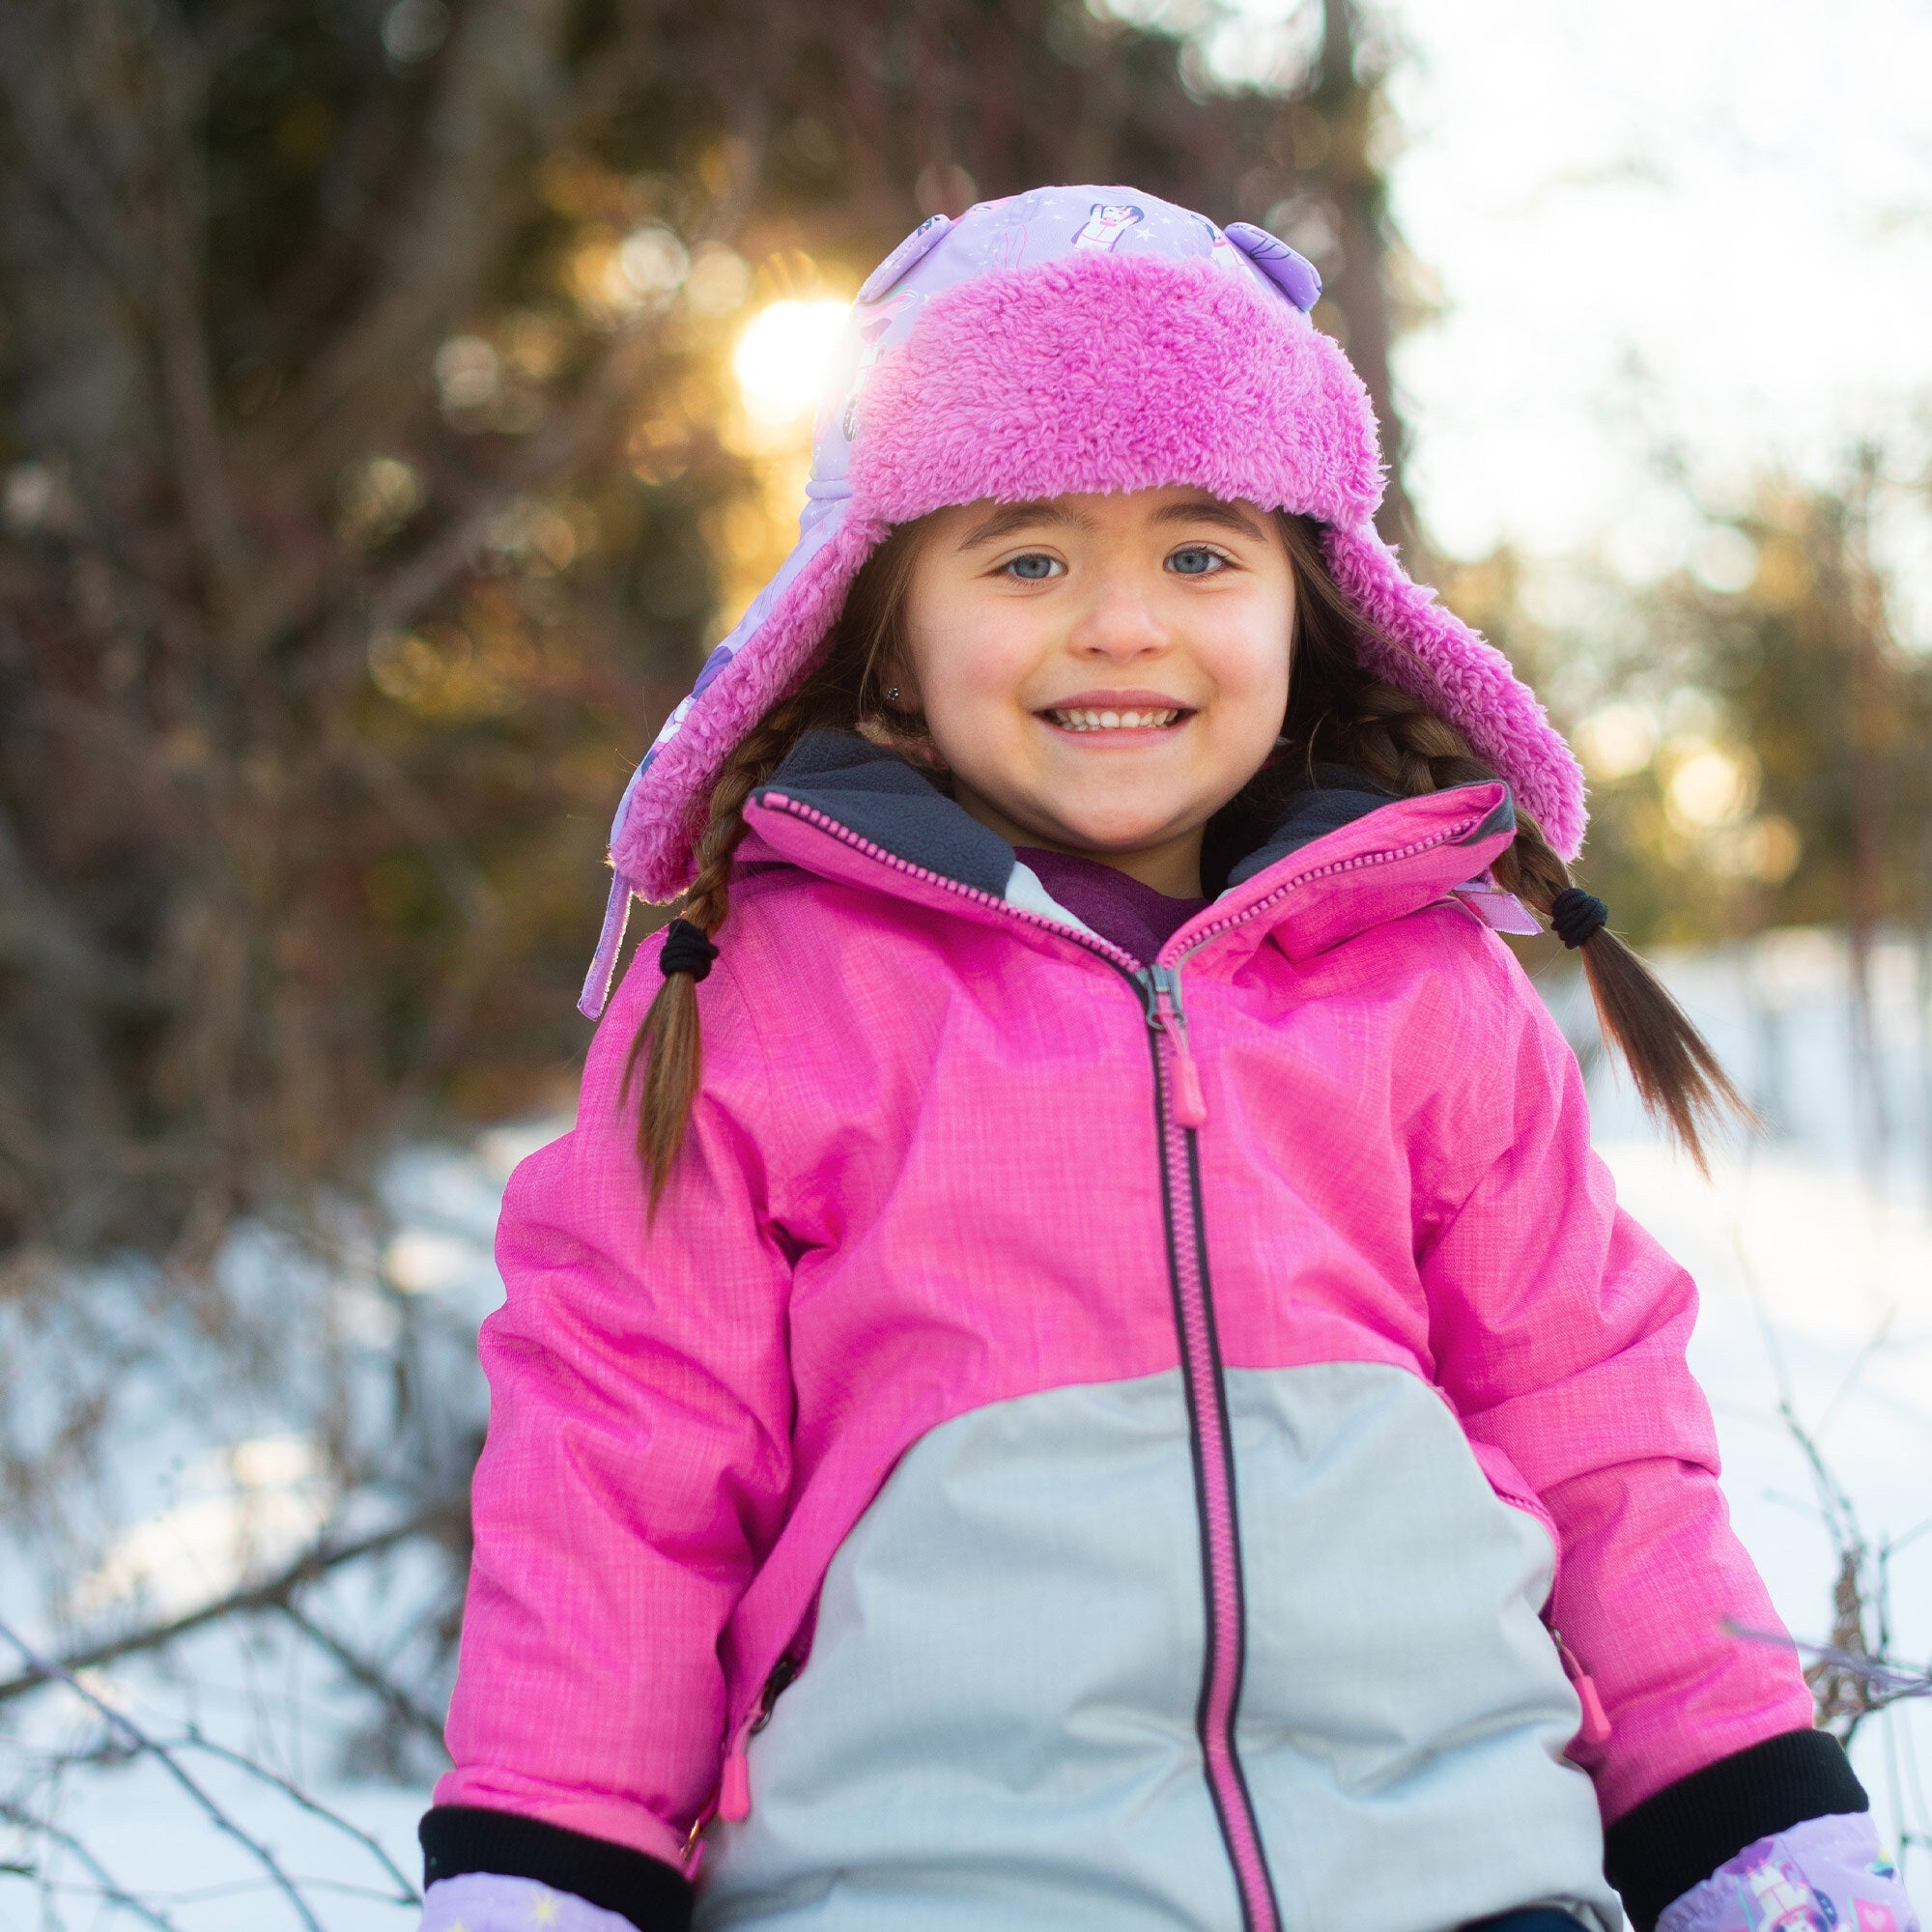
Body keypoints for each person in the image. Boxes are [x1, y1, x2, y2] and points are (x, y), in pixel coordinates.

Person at [413, 187, 1919, 1932]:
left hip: (1455, 1869)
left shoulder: (1423, 988)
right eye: (1028, 556)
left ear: (1310, 610)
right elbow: (621, 1463)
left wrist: (1738, 1808)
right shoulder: (764, 996)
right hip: (937, 1882)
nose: (1122, 623)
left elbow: (1593, 1427)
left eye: (1202, 555)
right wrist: (551, 1868)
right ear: (885, 634)